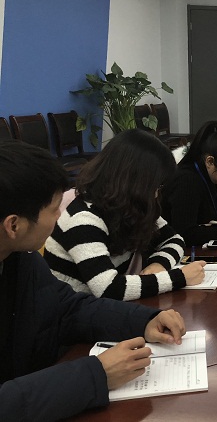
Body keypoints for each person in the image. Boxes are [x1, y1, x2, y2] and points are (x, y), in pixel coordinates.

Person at [0, 140, 187, 420]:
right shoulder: (76, 221)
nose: (60, 215)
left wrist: (144, 321)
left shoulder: (20, 259)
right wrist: (96, 374)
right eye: (53, 210)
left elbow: (68, 308)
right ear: (14, 225)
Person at [44, 130, 206, 300]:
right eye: (154, 187)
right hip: (75, 311)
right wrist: (179, 277)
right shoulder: (83, 219)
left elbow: (174, 240)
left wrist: (159, 264)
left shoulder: (130, 207)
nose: (156, 195)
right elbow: (109, 289)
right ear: (134, 182)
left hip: (104, 309)